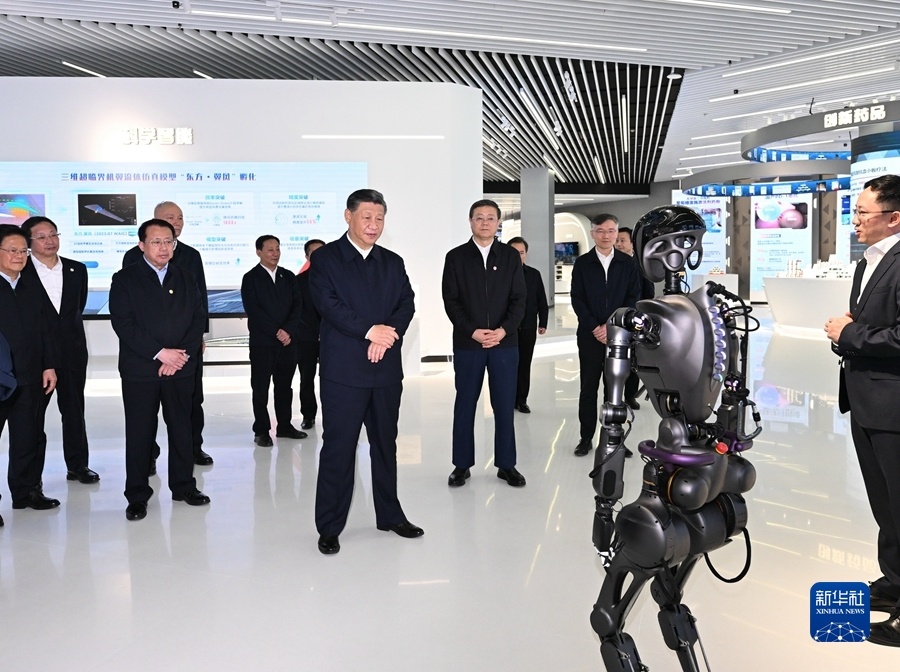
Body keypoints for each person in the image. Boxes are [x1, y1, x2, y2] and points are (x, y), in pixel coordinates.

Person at [310, 189, 421, 555]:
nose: (373, 225)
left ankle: (390, 515)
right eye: (366, 217)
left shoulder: (392, 261)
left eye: (379, 218)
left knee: (386, 445)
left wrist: (386, 336)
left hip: (385, 370)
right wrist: (370, 331)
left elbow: (406, 303)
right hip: (344, 372)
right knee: (339, 448)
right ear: (349, 217)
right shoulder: (326, 258)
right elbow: (328, 304)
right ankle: (329, 526)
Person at [825, 174, 900, 647]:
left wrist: (849, 333)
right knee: (885, 504)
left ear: (894, 218)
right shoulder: (866, 262)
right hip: (866, 402)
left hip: (894, 407)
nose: (854, 221)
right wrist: (847, 334)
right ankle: (894, 581)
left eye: (862, 213)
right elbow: (867, 326)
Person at [109, 218, 210, 521]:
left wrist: (179, 356)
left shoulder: (185, 276)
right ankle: (137, 495)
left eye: (168, 241)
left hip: (180, 367)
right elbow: (123, 323)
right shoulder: (125, 278)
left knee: (181, 428)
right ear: (141, 245)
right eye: (156, 242)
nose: (163, 247)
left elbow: (197, 319)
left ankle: (184, 486)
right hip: (141, 370)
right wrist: (160, 354)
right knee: (140, 432)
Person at [442, 200, 526, 488]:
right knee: (465, 404)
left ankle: (507, 465)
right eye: (479, 217)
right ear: (470, 221)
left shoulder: (510, 256)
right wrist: (472, 331)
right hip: (469, 344)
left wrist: (503, 330)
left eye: (491, 218)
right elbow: (451, 301)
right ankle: (461, 465)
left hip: (505, 344)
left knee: (504, 405)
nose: (485, 222)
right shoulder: (456, 257)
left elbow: (519, 299)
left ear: (498, 223)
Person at [123, 201, 213, 467]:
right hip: (146, 353)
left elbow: (200, 301)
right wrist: (159, 352)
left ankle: (194, 448)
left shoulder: (191, 255)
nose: (177, 223)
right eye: (170, 217)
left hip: (185, 349)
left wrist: (197, 339)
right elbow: (131, 313)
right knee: (144, 413)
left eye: (180, 218)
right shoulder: (132, 257)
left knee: (191, 401)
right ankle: (148, 456)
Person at [21, 216, 98, 484]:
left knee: (74, 411)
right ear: (29, 243)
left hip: (72, 353)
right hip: (37, 357)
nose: (50, 241)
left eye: (53, 234)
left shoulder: (77, 270)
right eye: (41, 237)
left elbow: (75, 309)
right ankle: (31, 477)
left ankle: (78, 465)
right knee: (32, 417)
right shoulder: (22, 272)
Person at [0, 224, 59, 519]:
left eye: (23, 250)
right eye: (12, 250)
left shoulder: (31, 285)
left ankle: (26, 492)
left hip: (31, 375)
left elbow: (46, 329)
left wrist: (48, 365)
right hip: (1, 378)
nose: (19, 256)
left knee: (29, 437)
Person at [571, 214, 641, 457]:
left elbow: (633, 297)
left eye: (611, 231)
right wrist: (595, 327)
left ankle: (615, 438)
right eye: (600, 231)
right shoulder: (583, 264)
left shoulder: (628, 263)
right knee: (588, 387)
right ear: (593, 234)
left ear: (617, 233)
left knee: (615, 390)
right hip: (589, 336)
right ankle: (585, 437)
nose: (606, 235)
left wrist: (611, 326)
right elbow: (577, 299)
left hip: (619, 335)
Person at [241, 235, 306, 447]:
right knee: (261, 388)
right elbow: (254, 311)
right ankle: (261, 430)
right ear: (258, 252)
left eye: (277, 249)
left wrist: (288, 331)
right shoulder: (250, 278)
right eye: (270, 250)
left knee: (284, 387)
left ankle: (284, 426)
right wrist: (277, 331)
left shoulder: (288, 276)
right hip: (263, 343)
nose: (275, 253)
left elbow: (297, 306)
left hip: (287, 343)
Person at [615, 226, 656, 410]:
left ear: (632, 243)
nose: (619, 244)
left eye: (622, 240)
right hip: (614, 319)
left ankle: (630, 396)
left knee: (633, 360)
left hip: (634, 320)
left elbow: (648, 293)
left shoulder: (641, 266)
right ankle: (614, 396)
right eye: (617, 240)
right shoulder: (611, 264)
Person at [507, 236, 548, 414]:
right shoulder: (501, 275)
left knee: (524, 365)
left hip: (528, 327)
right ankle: (507, 400)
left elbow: (541, 300)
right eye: (514, 252)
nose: (518, 256)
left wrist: (543, 321)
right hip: (506, 329)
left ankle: (521, 400)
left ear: (526, 254)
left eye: (521, 252)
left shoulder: (534, 274)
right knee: (507, 365)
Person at [296, 238, 325, 430]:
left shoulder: (339, 278)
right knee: (306, 379)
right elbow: (297, 311)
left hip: (333, 338)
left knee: (334, 379)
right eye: (314, 253)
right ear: (307, 257)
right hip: (306, 337)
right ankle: (308, 415)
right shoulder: (298, 281)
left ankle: (335, 415)